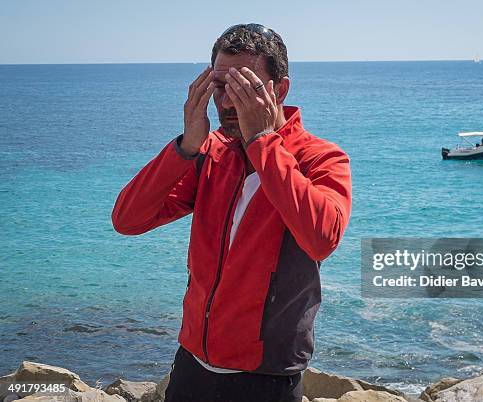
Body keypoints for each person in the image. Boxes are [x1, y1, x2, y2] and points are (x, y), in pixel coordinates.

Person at [111, 23, 352, 402]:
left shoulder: (321, 159)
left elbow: (322, 239)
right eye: (221, 86)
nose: (227, 101)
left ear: (280, 89)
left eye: (245, 86)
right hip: (192, 365)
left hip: (267, 377)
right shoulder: (211, 155)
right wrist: (185, 147)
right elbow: (128, 219)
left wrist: (262, 142)